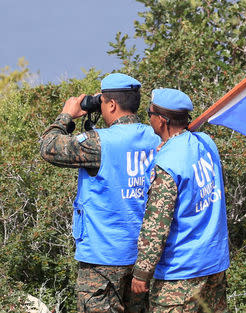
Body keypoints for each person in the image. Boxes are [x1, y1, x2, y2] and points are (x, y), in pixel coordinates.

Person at [40, 73, 161, 313]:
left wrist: (67, 115)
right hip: (144, 257)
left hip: (102, 259)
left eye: (103, 102)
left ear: (112, 105)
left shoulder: (98, 143)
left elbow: (48, 147)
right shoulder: (156, 137)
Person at [131, 88, 230, 312]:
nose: (149, 119)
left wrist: (142, 273)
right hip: (213, 264)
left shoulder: (168, 164)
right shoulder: (206, 143)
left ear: (162, 121)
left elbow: (156, 225)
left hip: (180, 274)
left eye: (150, 114)